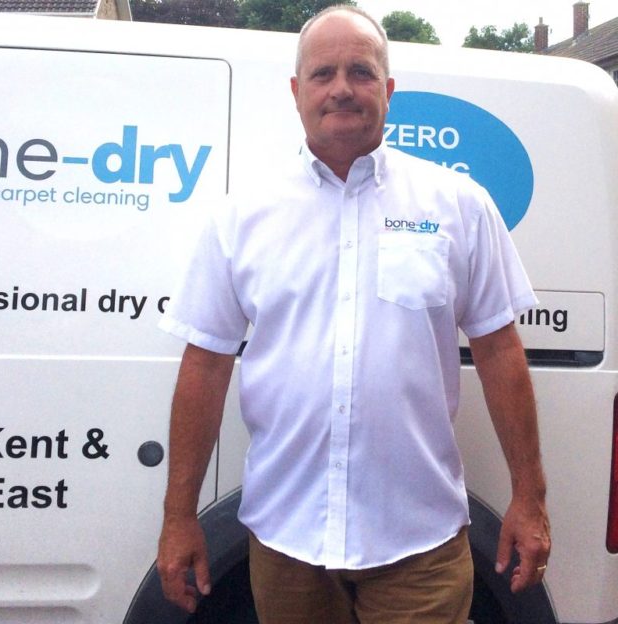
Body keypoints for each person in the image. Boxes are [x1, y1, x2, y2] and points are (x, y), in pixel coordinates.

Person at [156, 5, 551, 623]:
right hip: (285, 537)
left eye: (361, 72)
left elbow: (500, 352)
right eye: (323, 73)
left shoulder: (459, 205)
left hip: (420, 541)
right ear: (296, 92)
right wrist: (179, 516)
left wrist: (530, 497)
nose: (341, 88)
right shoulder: (241, 217)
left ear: (388, 90)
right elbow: (205, 365)